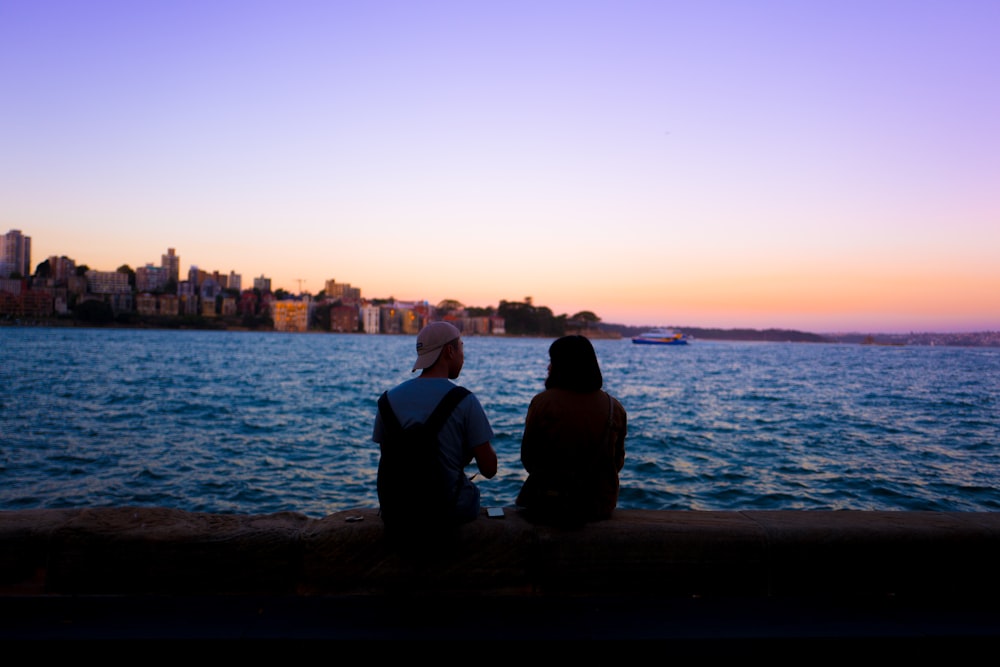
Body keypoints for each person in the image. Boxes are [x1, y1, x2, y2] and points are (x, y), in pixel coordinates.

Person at [372, 321, 498, 537]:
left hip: (397, 513)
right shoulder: (465, 400)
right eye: (461, 347)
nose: (463, 356)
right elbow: (489, 469)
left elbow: (391, 457)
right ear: (449, 351)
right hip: (448, 512)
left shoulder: (387, 400)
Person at [516, 335, 626, 527]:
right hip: (598, 505)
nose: (548, 368)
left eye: (552, 362)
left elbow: (529, 459)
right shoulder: (614, 407)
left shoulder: (543, 403)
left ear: (562, 366)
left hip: (549, 503)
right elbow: (616, 463)